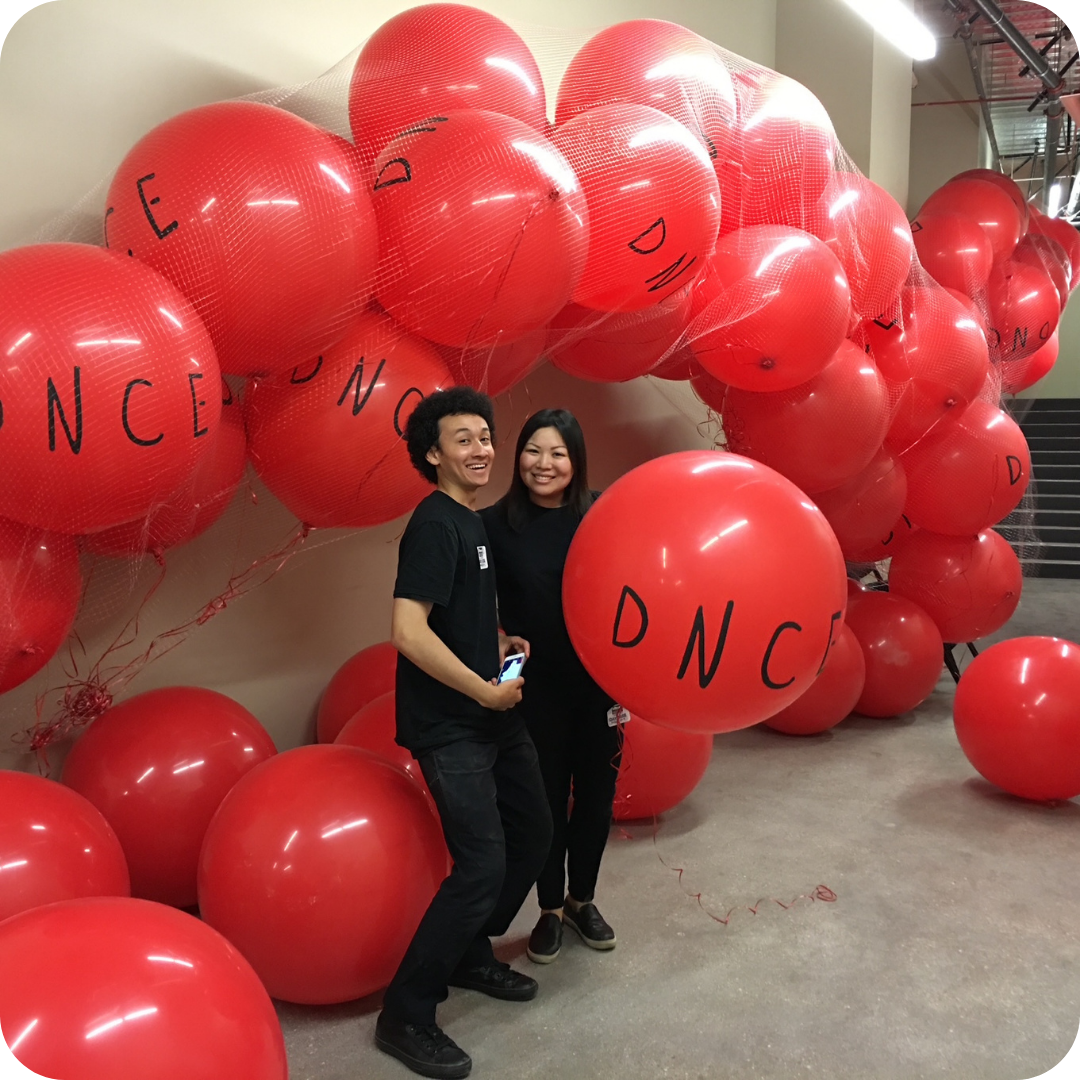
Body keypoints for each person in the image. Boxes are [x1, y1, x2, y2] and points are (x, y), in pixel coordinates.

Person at [376, 387, 553, 1080]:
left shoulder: (470, 520)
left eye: (486, 436)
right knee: (479, 866)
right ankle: (407, 1013)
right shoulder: (434, 524)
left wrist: (499, 640)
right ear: (432, 454)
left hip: (491, 712)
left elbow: (456, 618)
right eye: (463, 439)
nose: (482, 449)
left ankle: (471, 953)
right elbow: (406, 629)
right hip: (452, 725)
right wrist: (483, 687)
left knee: (534, 835)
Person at [479, 409, 621, 967]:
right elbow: (468, 603)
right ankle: (548, 910)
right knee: (543, 805)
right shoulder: (494, 523)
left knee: (596, 800)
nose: (544, 464)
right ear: (518, 459)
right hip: (533, 689)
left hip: (601, 685)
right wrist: (496, 639)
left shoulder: (603, 513)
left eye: (558, 453)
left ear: (576, 460)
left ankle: (582, 900)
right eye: (534, 451)